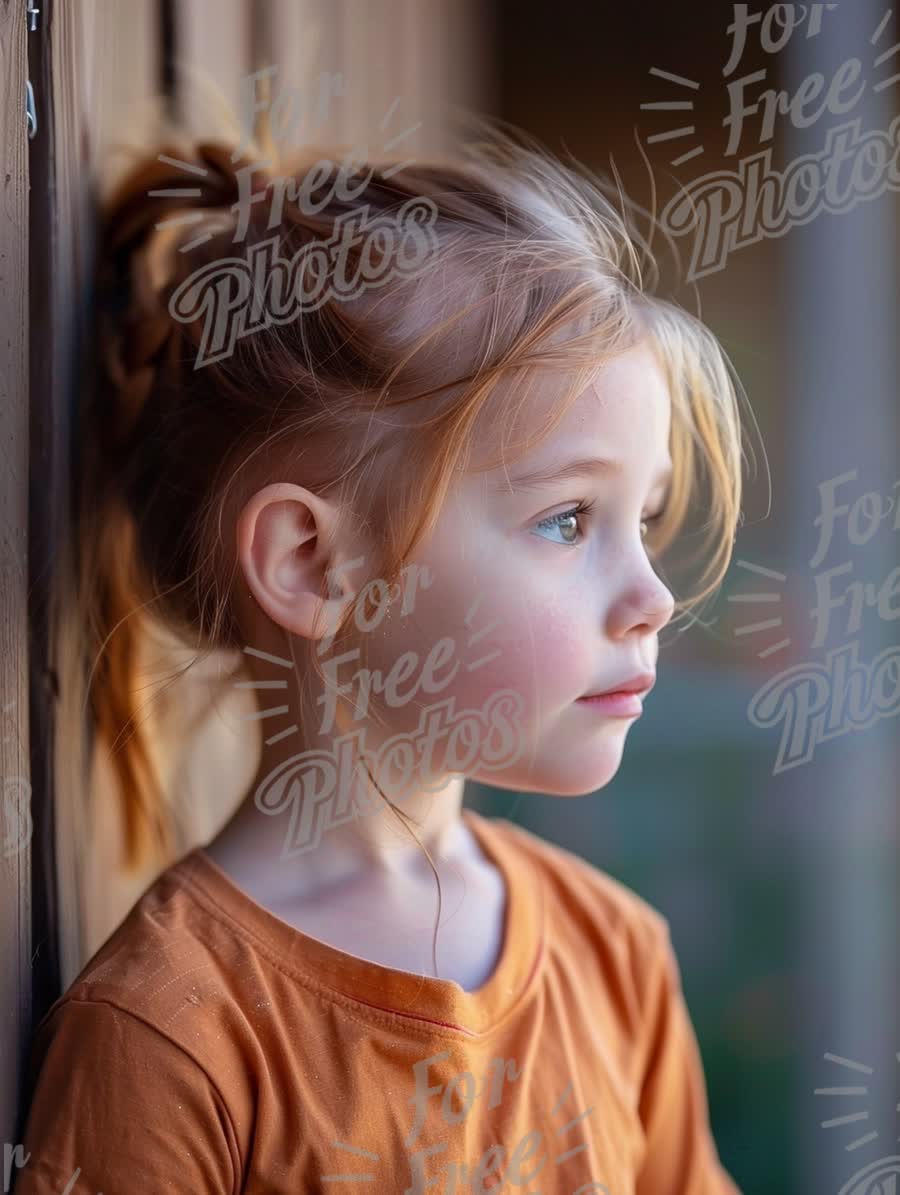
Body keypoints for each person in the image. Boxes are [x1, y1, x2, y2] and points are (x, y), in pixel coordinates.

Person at [13, 117, 746, 1193]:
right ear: (313, 563)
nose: (652, 595)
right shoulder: (169, 1035)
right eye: (567, 521)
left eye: (646, 514)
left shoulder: (616, 955)